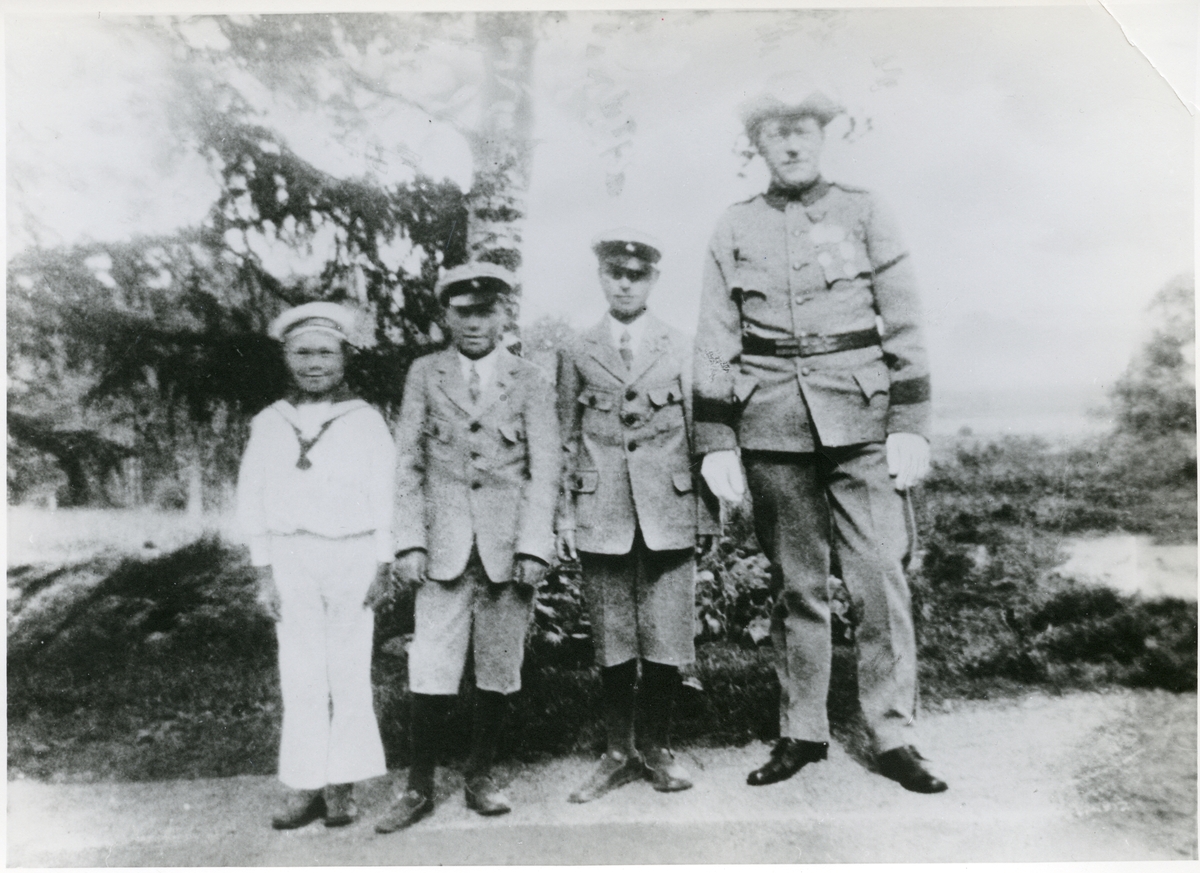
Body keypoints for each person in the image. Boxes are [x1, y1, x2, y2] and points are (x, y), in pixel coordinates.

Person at [693, 89, 948, 793]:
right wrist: (716, 435)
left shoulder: (865, 211)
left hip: (861, 421)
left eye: (802, 130)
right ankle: (802, 730)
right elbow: (715, 335)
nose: (792, 144)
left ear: (822, 136)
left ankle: (892, 733)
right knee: (795, 586)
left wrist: (909, 423)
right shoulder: (735, 225)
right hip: (771, 422)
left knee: (880, 578)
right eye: (776, 133)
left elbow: (905, 320)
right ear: (758, 145)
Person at [375, 262, 560, 833]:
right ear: (446, 316)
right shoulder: (425, 374)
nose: (475, 323)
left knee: (499, 666)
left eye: (486, 311)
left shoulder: (531, 379)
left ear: (505, 315)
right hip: (444, 545)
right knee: (431, 664)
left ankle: (480, 774)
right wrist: (409, 540)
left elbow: (545, 470)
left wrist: (535, 545)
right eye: (463, 313)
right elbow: (408, 463)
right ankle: (419, 785)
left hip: (507, 545)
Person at [556, 229, 718, 803]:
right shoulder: (576, 350)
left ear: (654, 280)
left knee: (667, 635)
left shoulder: (685, 345)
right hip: (602, 511)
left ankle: (657, 747)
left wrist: (707, 515)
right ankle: (617, 751)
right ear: (600, 277)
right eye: (614, 273)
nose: (625, 284)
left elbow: (706, 434)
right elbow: (564, 438)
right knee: (612, 637)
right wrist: (564, 517)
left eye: (636, 275)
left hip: (670, 510)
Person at [236, 301, 395, 829]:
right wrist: (264, 572)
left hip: (352, 554)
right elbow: (252, 499)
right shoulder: (269, 422)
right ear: (286, 358)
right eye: (302, 353)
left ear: (344, 358)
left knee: (348, 670)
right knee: (301, 673)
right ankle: (303, 784)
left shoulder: (365, 421)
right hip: (291, 557)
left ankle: (341, 786)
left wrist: (383, 562)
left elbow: (386, 495)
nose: (314, 364)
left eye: (325, 353)